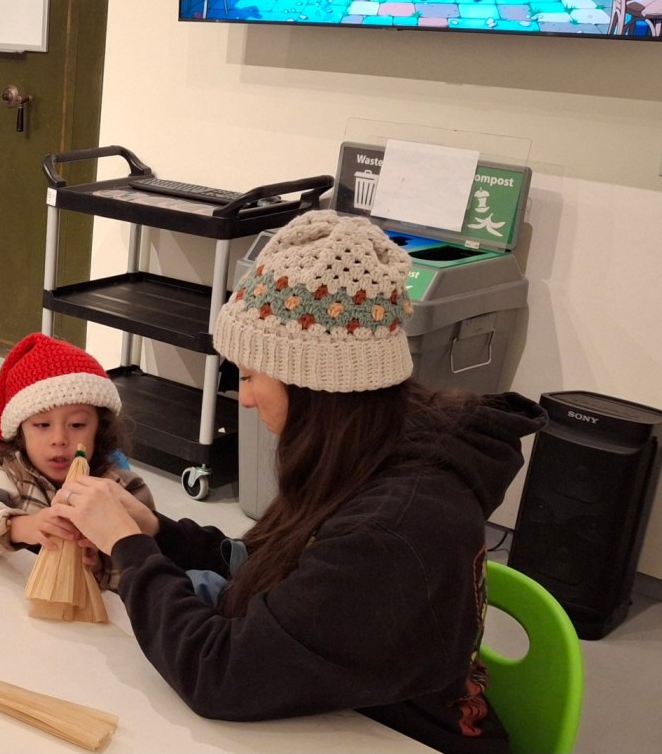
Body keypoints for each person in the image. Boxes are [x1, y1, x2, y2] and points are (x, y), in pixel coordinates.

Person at [52, 211, 545, 753]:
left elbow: (220, 674)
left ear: (314, 383)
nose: (244, 397)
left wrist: (131, 547)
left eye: (250, 375)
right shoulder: (364, 452)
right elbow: (269, 566)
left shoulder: (394, 528)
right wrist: (159, 531)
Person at [0, 332, 154, 590]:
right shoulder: (8, 470)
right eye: (42, 425)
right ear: (20, 430)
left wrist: (100, 568)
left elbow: (149, 571)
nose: (59, 439)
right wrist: (21, 527)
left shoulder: (123, 489)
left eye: (77, 424)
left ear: (100, 429)